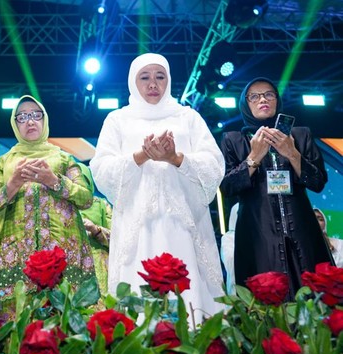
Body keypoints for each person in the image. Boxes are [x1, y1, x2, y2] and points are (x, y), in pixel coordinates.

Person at [90, 53, 225, 320]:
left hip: (184, 225)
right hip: (137, 227)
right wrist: (141, 156)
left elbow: (214, 164)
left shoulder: (188, 117)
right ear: (133, 82)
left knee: (189, 286)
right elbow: (101, 169)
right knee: (138, 287)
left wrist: (176, 158)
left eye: (160, 76)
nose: (153, 84)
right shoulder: (118, 120)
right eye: (145, 77)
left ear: (169, 80)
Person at [220, 77, 331, 297]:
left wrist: (291, 152)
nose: (263, 99)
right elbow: (227, 187)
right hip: (257, 233)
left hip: (302, 229)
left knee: (313, 295)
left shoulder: (300, 135)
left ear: (277, 100)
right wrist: (253, 157)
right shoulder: (233, 140)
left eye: (269, 94)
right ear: (246, 103)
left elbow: (318, 182)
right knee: (265, 296)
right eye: (255, 96)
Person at [0, 95, 96, 304]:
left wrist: (53, 181)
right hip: (16, 254)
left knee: (62, 319)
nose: (30, 121)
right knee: (17, 319)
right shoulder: (6, 160)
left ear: (44, 120)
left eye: (36, 115)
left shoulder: (63, 158)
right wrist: (13, 184)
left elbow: (86, 199)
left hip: (62, 250)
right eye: (22, 116)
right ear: (15, 123)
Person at [78, 163, 112, 296]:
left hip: (101, 267)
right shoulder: (61, 206)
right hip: (71, 266)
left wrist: (94, 229)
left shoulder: (102, 205)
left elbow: (119, 240)